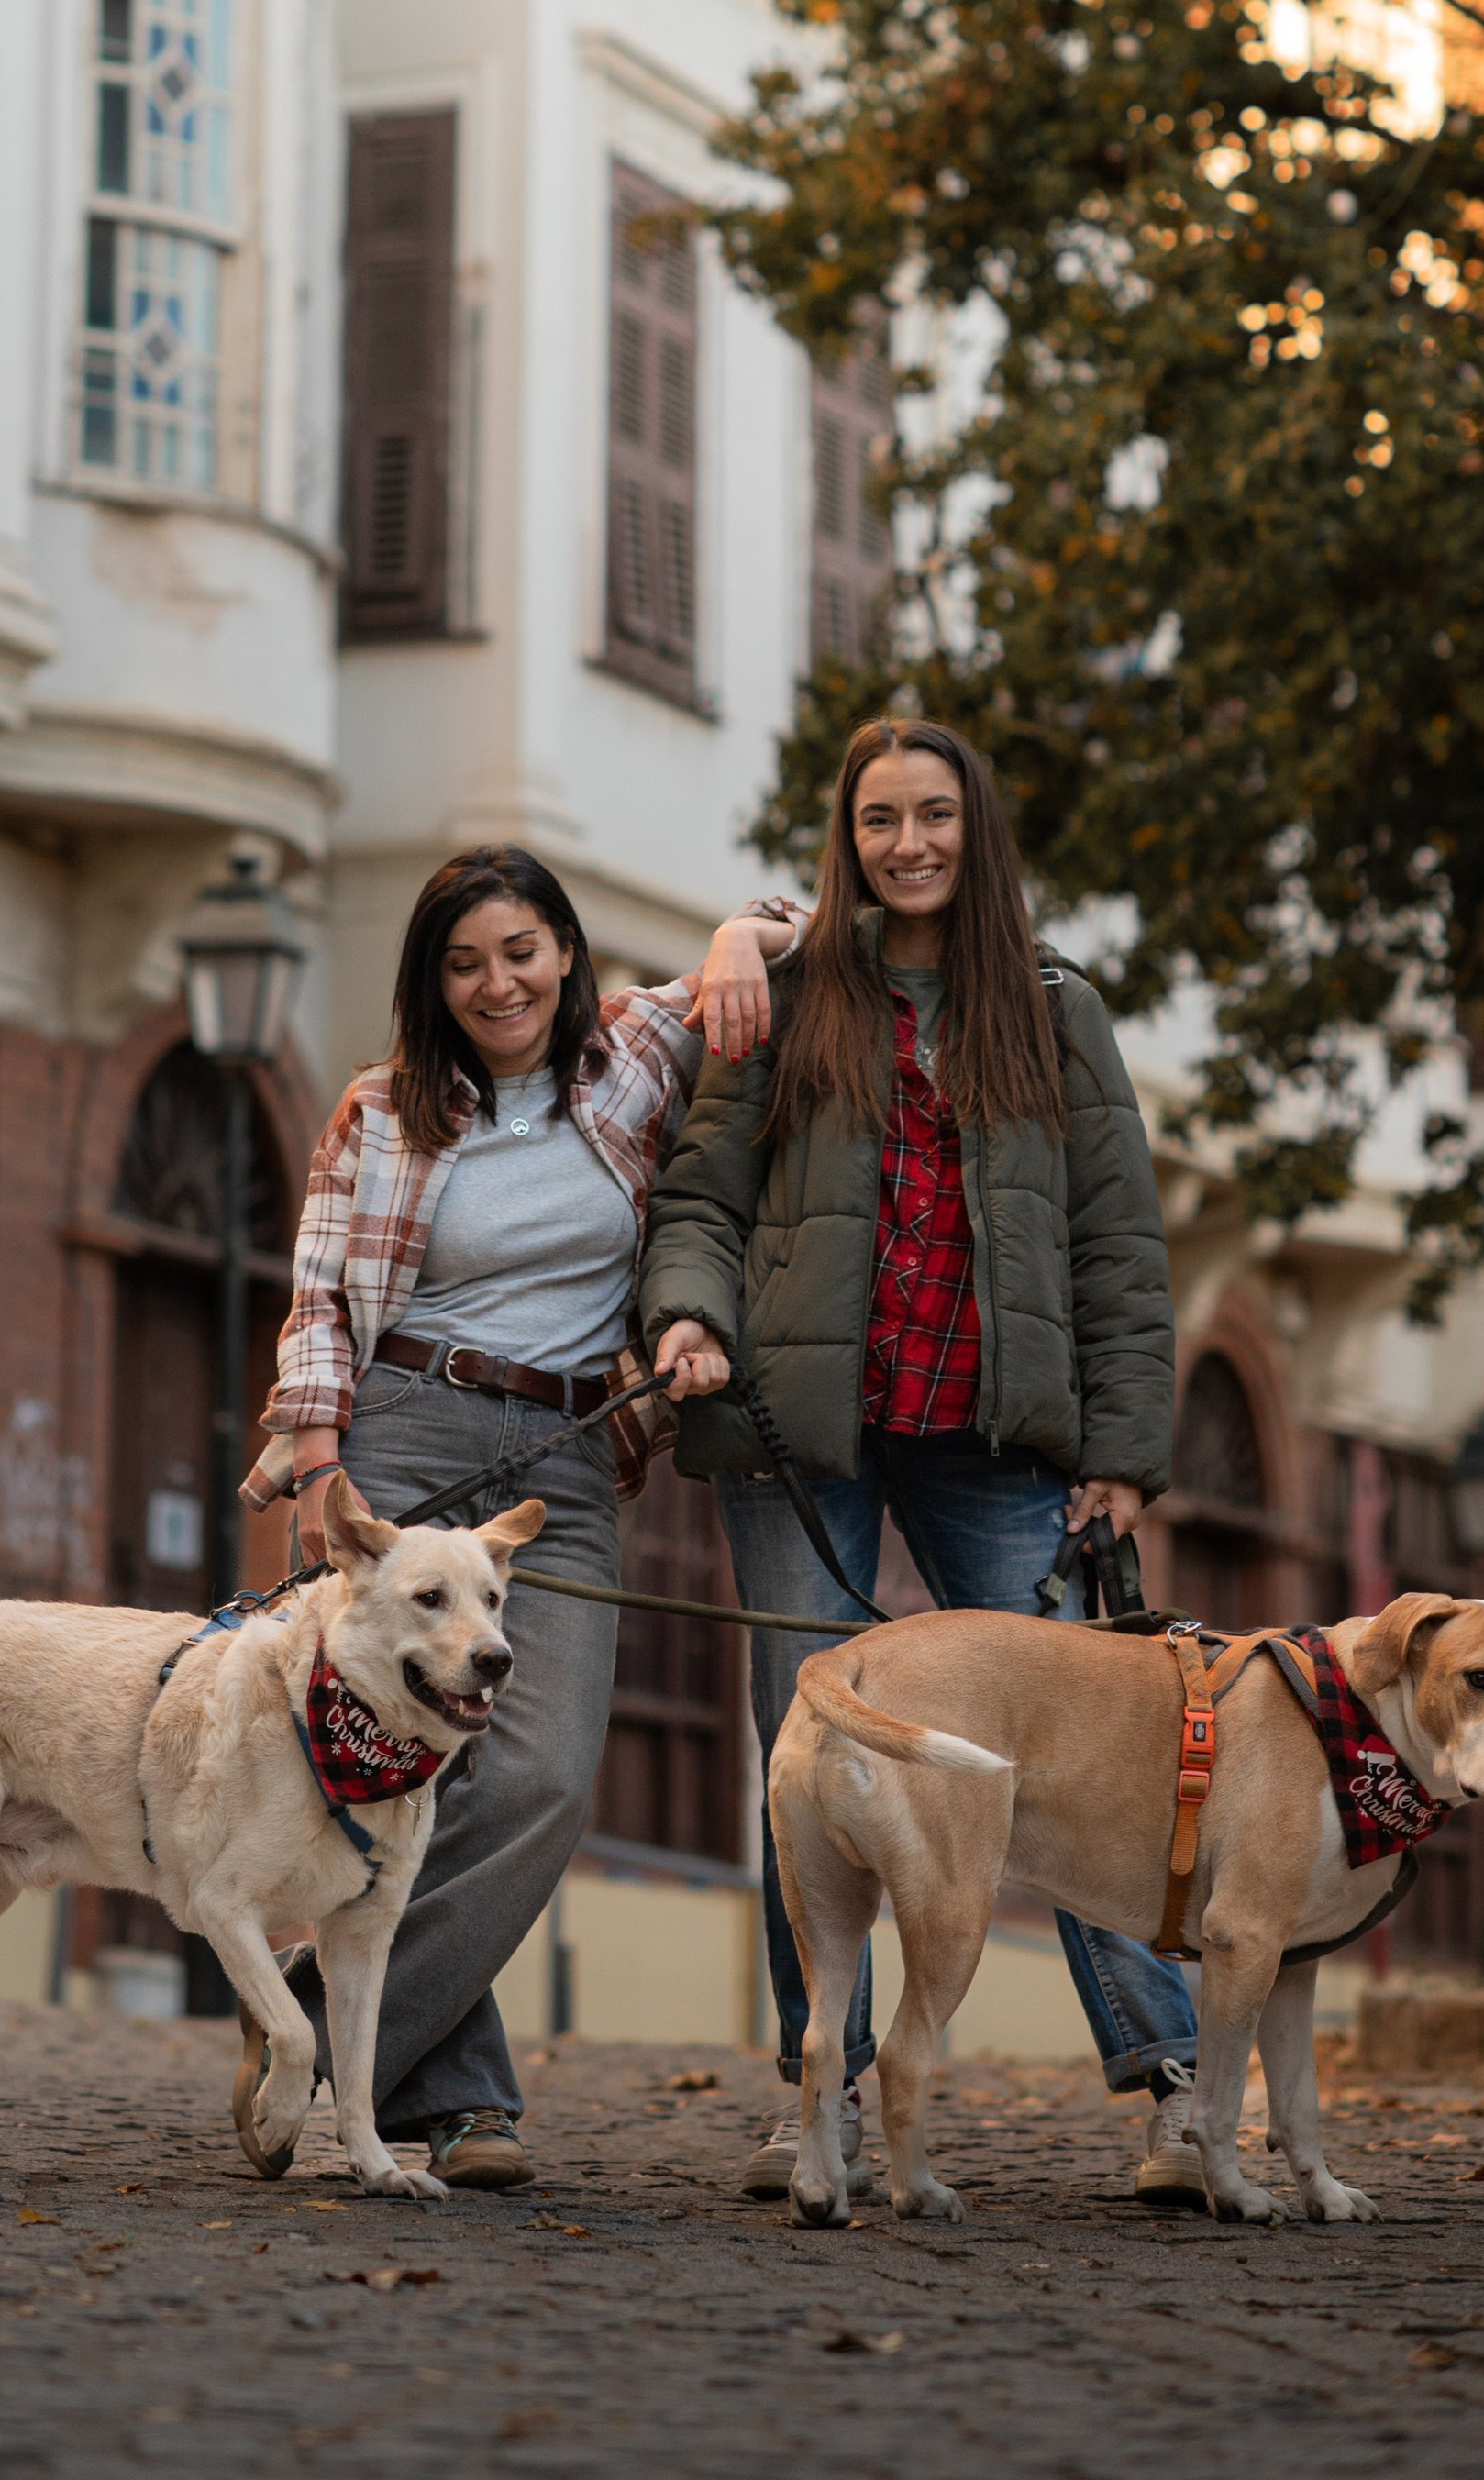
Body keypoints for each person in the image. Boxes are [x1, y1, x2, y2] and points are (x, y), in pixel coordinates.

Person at [637, 717, 1204, 2204]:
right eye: (880, 817)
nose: (909, 843)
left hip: (996, 1442)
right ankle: (810, 2094)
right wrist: (691, 1317)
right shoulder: (779, 991)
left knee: (1091, 1759)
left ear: (977, 828)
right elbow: (700, 1193)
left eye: (936, 815)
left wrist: (1125, 1456)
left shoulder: (1056, 1008)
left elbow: (1119, 1252)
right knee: (805, 1754)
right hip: (795, 1434)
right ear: (847, 833)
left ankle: (1177, 2092)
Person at [245, 844, 803, 2195]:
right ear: (432, 983)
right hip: (411, 1428)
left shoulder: (634, 1056)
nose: (498, 983)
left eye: (521, 951)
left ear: (565, 950)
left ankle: (309, 2040)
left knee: (542, 1776)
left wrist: (738, 933)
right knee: (413, 1768)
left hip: (565, 1456)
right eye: (464, 962)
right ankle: (459, 2101)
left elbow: (812, 918)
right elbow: (319, 1293)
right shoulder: (380, 1111)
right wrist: (320, 1465)